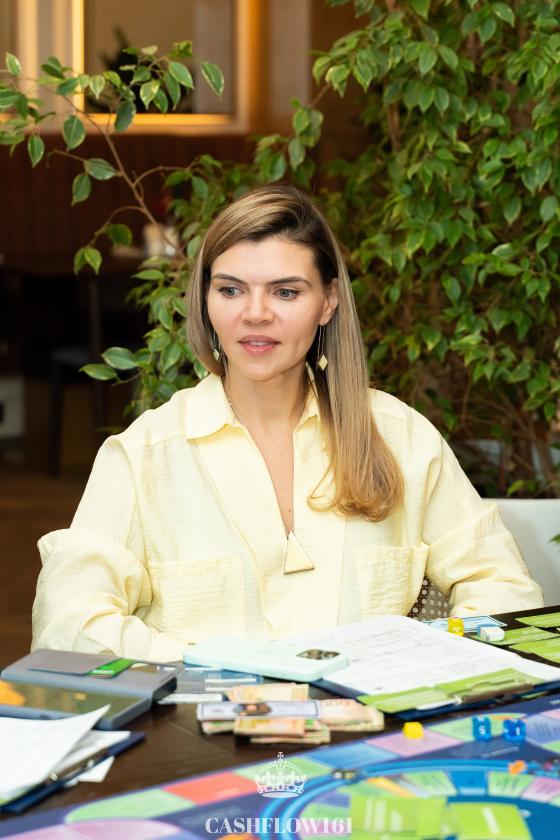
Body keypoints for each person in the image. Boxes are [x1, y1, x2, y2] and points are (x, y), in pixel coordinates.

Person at [32, 185, 543, 661]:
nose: (255, 314)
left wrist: (424, 664)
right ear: (206, 301)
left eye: (285, 292)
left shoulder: (400, 436)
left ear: (328, 302)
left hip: (372, 720)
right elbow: (68, 627)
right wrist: (219, 667)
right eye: (231, 290)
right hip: (208, 722)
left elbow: (505, 590)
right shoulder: (144, 455)